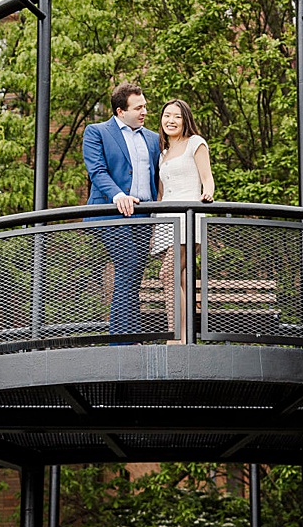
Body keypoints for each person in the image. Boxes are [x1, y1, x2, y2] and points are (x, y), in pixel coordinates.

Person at [82, 82, 161, 337]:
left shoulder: (153, 138)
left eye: (145, 106)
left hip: (144, 216)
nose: (144, 112)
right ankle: (121, 341)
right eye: (138, 107)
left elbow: (160, 175)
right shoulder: (97, 132)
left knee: (134, 276)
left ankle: (131, 338)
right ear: (120, 111)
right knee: (127, 265)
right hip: (112, 214)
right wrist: (118, 195)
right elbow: (97, 171)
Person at [154, 97, 216, 338]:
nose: (171, 120)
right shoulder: (164, 153)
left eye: (177, 116)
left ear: (185, 120)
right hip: (166, 220)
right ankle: (183, 335)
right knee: (177, 278)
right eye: (167, 115)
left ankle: (177, 336)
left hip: (188, 217)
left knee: (167, 273)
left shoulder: (195, 143)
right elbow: (161, 192)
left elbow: (207, 177)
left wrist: (207, 193)